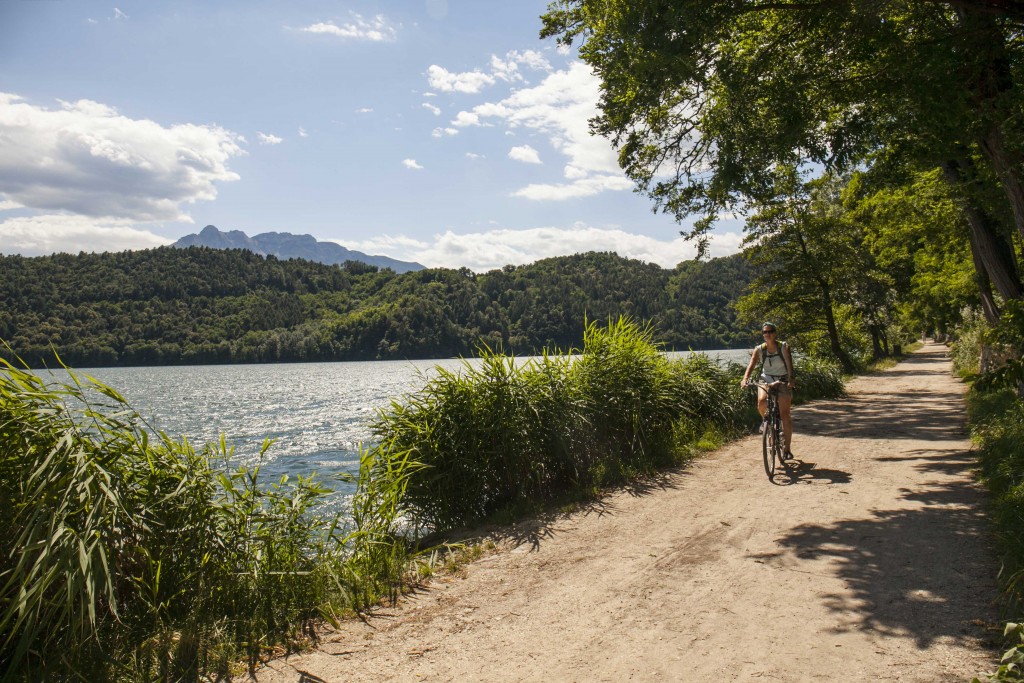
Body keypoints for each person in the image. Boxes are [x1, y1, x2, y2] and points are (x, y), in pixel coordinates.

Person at [740, 322, 796, 459]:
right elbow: (751, 364)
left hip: (782, 379)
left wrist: (790, 380)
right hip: (766, 379)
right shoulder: (759, 349)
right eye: (764, 332)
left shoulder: (783, 347)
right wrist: (745, 379)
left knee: (785, 415)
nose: (767, 334)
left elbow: (789, 364)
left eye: (770, 331)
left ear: (775, 333)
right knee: (761, 401)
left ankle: (787, 449)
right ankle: (767, 422)